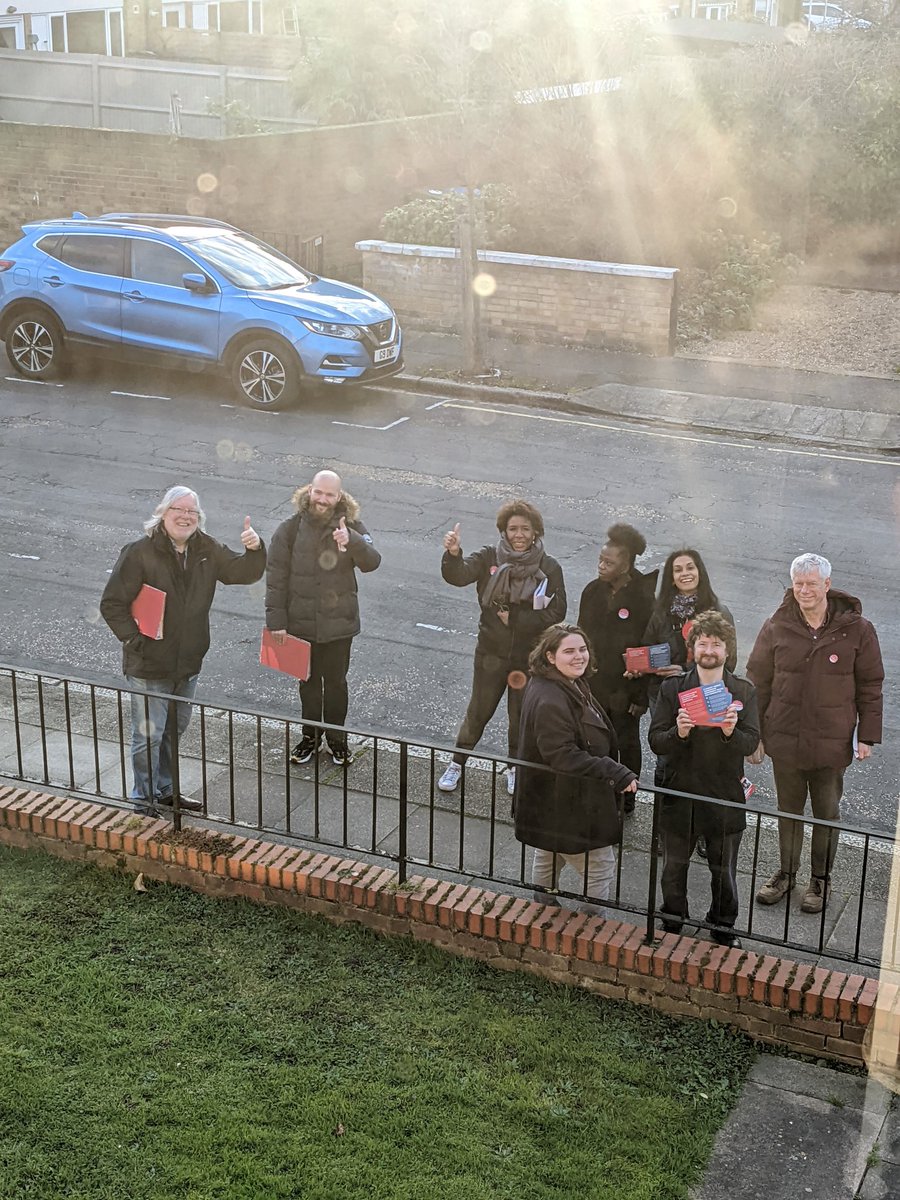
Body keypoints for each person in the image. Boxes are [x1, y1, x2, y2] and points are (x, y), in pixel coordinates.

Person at [100, 486, 265, 815]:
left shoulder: (207, 549)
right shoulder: (139, 552)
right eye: (179, 509)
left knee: (174, 731)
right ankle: (143, 799)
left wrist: (256, 549)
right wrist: (136, 641)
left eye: (192, 512)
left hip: (188, 664)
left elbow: (243, 572)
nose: (186, 516)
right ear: (163, 513)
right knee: (149, 736)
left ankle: (166, 790)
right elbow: (112, 603)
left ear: (199, 518)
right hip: (149, 664)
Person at [747, 552, 884, 915]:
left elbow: (871, 684)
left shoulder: (858, 629)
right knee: (788, 811)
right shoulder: (776, 625)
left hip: (831, 743)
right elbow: (757, 682)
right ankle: (786, 873)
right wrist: (755, 734)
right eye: (798, 584)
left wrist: (866, 736)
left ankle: (820, 880)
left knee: (826, 813)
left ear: (827, 584)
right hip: (785, 739)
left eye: (811, 583)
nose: (804, 590)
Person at [438, 500, 566, 796]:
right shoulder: (488, 557)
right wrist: (453, 553)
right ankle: (457, 762)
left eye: (525, 528)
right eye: (513, 529)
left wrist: (517, 618)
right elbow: (459, 576)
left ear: (535, 532)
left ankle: (514, 767)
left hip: (528, 657)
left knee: (520, 716)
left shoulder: (548, 566)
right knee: (478, 711)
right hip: (491, 654)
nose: (519, 534)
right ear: (504, 531)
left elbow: (557, 611)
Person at [649, 611, 760, 948]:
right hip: (679, 792)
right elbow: (656, 740)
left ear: (727, 651)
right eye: (702, 643)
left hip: (723, 795)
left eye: (716, 644)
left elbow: (752, 742)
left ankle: (723, 926)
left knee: (723, 870)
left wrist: (729, 732)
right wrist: (679, 732)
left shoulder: (743, 691)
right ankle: (673, 919)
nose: (709, 649)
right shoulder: (673, 688)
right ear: (692, 648)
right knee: (673, 867)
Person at [514, 623, 638, 907]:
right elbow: (562, 755)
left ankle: (542, 909)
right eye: (568, 651)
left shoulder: (562, 682)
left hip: (552, 801)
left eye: (582, 649)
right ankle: (591, 925)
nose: (579, 656)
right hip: (568, 802)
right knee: (599, 867)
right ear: (549, 656)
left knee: (549, 853)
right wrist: (614, 770)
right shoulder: (550, 698)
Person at [265, 470, 381, 767]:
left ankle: (337, 740)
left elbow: (372, 562)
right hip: (301, 625)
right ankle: (311, 738)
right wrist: (276, 622)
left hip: (339, 626)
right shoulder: (289, 530)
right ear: (309, 491)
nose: (323, 499)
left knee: (337, 685)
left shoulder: (351, 526)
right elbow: (276, 578)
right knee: (309, 685)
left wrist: (352, 540)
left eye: (330, 494)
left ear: (339, 496)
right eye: (319, 492)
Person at [641, 547, 737, 858]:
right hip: (666, 696)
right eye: (678, 569)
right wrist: (647, 666)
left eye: (690, 567)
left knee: (705, 763)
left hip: (707, 695)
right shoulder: (660, 612)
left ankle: (703, 833)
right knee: (667, 762)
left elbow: (730, 663)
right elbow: (648, 649)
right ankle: (663, 832)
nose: (685, 573)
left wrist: (684, 670)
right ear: (671, 577)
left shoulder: (718, 611)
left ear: (700, 571)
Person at [577, 522, 657, 811]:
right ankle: (600, 788)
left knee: (627, 743)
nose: (601, 566)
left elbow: (650, 647)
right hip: (594, 685)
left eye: (609, 562)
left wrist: (640, 696)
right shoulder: (591, 592)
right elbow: (580, 637)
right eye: (600, 559)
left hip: (626, 690)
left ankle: (628, 794)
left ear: (626, 565)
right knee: (595, 739)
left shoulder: (645, 598)